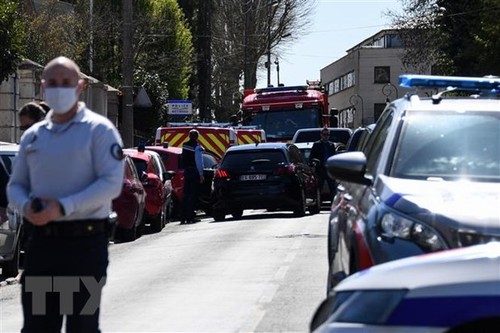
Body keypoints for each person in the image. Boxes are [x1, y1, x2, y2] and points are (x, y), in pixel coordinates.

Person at [7, 56, 124, 333]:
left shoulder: (99, 131)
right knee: (37, 327)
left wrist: (62, 207)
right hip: (42, 249)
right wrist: (27, 207)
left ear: (80, 87)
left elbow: (110, 183)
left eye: (67, 83)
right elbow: (15, 185)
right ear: (42, 87)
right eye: (53, 83)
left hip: (84, 247)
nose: (60, 88)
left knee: (81, 327)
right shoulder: (34, 136)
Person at [180, 129, 204, 224]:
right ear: (197, 137)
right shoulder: (197, 147)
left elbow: (183, 159)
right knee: (193, 195)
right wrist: (201, 174)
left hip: (187, 171)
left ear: (189, 136)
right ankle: (190, 217)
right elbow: (199, 162)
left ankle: (183, 217)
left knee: (186, 194)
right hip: (194, 172)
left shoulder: (185, 145)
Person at [309, 127, 337, 200]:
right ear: (321, 135)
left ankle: (332, 205)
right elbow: (312, 157)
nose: (326, 136)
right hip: (321, 169)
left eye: (328, 134)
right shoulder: (316, 144)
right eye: (324, 134)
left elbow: (334, 157)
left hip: (329, 169)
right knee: (319, 188)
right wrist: (314, 164)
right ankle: (318, 203)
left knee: (332, 188)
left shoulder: (331, 145)